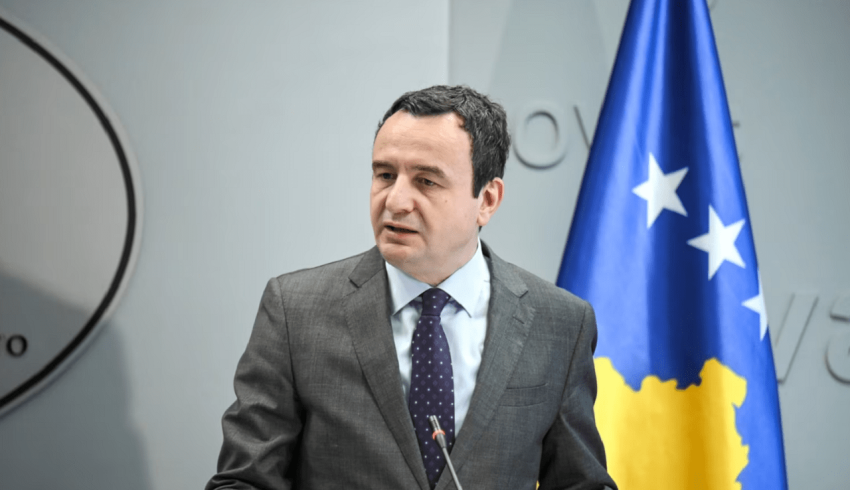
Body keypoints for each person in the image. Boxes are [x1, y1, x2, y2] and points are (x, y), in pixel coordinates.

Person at [206, 85, 616, 490]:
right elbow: (243, 482)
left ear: (487, 200)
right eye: (385, 175)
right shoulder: (295, 311)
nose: (395, 201)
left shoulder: (560, 323)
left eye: (426, 181)